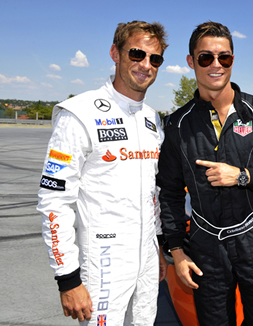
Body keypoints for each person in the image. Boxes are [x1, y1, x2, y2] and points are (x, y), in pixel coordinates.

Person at [157, 21, 253, 325]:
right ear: (191, 62)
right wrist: (177, 251)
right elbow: (168, 193)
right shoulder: (177, 125)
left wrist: (243, 176)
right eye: (206, 57)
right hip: (205, 245)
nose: (216, 65)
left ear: (233, 60)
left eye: (225, 57)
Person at [37, 20, 168, 325]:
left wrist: (157, 246)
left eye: (155, 59)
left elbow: (152, 192)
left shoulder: (152, 120)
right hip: (104, 261)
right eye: (136, 54)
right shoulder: (80, 113)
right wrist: (68, 279)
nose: (145, 64)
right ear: (115, 53)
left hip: (147, 260)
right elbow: (53, 201)